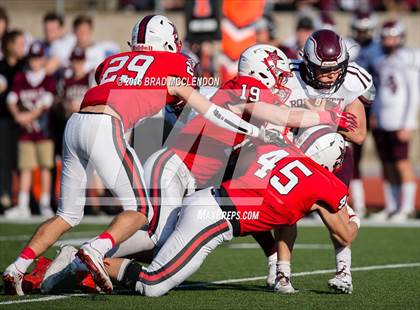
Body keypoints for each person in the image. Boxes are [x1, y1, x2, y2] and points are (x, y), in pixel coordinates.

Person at [39, 44, 358, 294]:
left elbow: (249, 195)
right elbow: (278, 114)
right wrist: (328, 117)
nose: (281, 82)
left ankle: (88, 260)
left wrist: (273, 253)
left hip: (187, 177)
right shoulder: (247, 88)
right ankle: (83, 257)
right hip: (174, 168)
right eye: (275, 74)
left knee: (158, 244)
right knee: (154, 238)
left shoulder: (244, 102)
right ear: (259, 73)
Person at [2, 15, 272, 296]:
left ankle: (16, 267)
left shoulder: (112, 61)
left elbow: (120, 81)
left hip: (75, 124)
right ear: (167, 42)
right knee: (142, 211)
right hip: (106, 125)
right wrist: (255, 130)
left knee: (67, 214)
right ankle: (96, 250)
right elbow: (211, 111)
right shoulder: (176, 64)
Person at [97, 141, 360, 297]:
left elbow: (244, 163)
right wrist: (355, 218)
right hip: (215, 218)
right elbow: (344, 235)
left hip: (208, 198)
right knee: (153, 283)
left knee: (155, 248)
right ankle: (86, 263)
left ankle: (92, 253)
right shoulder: (324, 181)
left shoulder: (279, 149)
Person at [275, 29, 375, 294]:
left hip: (335, 155)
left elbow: (359, 133)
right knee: (285, 215)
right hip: (294, 153)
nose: (332, 75)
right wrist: (324, 116)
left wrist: (319, 118)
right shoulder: (288, 77)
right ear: (307, 65)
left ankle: (344, 272)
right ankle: (282, 275)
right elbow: (270, 116)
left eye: (337, 68)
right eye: (323, 70)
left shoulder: (353, 80)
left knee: (338, 224)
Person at [370, 20, 419, 222]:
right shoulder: (381, 60)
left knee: (402, 164)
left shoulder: (407, 60)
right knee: (387, 164)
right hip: (383, 118)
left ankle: (406, 208)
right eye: (386, 37)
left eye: (392, 37)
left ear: (400, 38)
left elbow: (412, 93)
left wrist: (408, 123)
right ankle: (392, 206)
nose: (389, 41)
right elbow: (380, 90)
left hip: (399, 120)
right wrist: (374, 112)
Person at [4, 41, 55, 219]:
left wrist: (27, 117)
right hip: (26, 133)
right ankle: (23, 204)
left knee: (45, 168)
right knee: (25, 168)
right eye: (32, 58)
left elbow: (45, 104)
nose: (35, 62)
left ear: (43, 59)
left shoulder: (48, 79)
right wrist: (17, 114)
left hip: (43, 132)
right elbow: (11, 98)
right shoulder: (21, 78)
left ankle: (45, 203)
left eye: (38, 58)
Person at [346, 11, 382, 217]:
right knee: (351, 156)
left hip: (375, 109)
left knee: (385, 158)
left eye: (365, 30)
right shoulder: (350, 48)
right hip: (353, 106)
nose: (362, 34)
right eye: (359, 30)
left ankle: (393, 204)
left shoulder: (381, 50)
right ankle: (357, 204)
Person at [0, 30, 26, 213]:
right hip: (4, 119)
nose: (22, 48)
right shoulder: (2, 67)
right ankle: (5, 196)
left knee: (24, 160)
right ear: (9, 45)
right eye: (19, 43)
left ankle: (25, 199)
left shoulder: (25, 66)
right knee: (5, 159)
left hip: (25, 120)